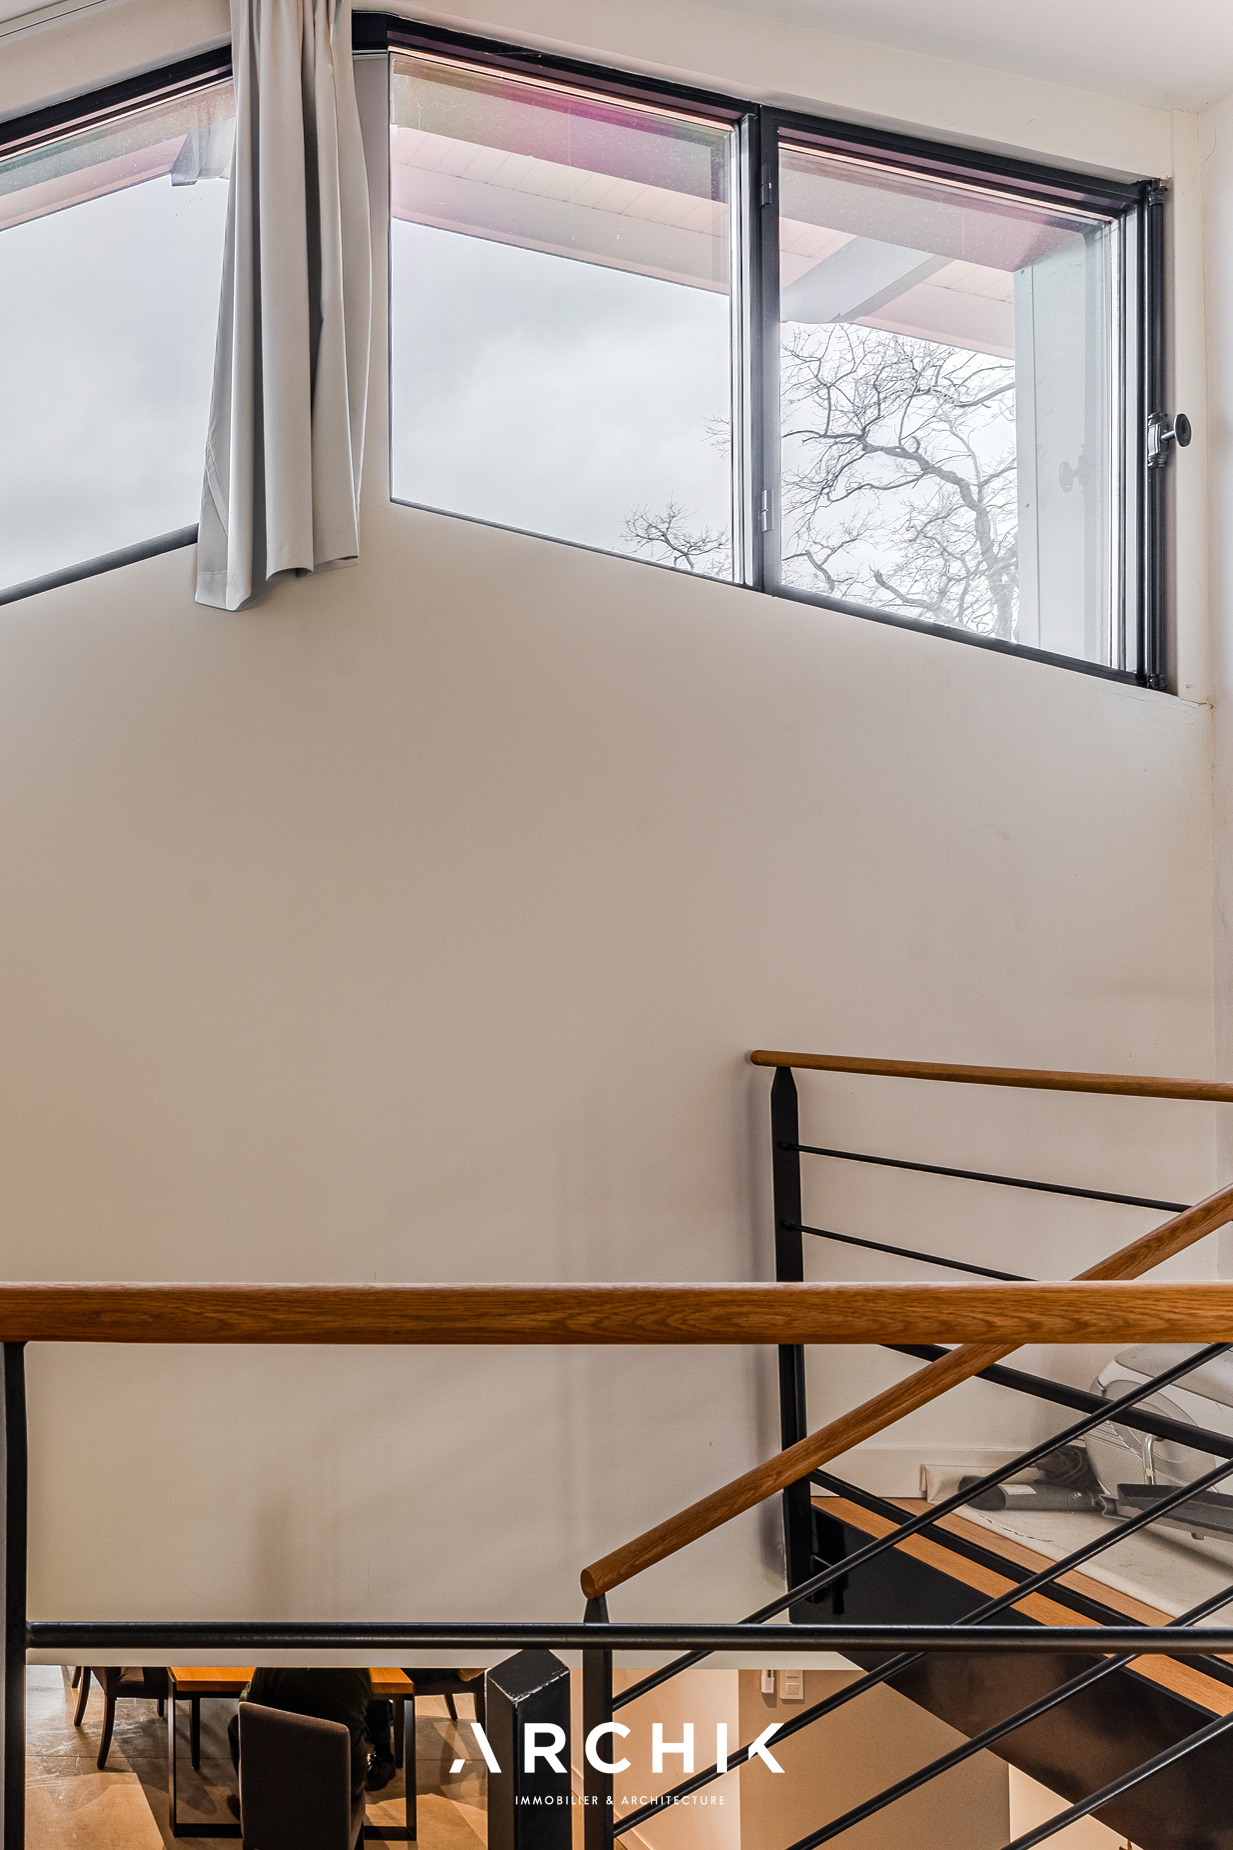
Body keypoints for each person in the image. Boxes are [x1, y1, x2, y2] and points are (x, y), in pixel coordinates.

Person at [227, 1667, 385, 1817]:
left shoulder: (275, 1662)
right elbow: (369, 1705)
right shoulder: (357, 1668)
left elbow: (247, 1705)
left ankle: (252, 1807)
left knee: (237, 1725)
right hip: (346, 1784)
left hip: (281, 1782)